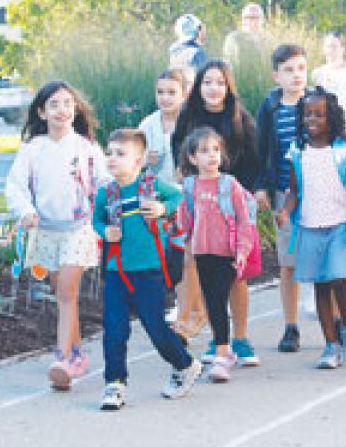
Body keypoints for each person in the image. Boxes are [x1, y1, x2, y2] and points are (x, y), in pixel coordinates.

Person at [5, 80, 109, 390]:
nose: (62, 110)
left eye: (67, 103)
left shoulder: (87, 148)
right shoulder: (33, 149)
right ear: (42, 111)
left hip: (78, 230)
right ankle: (77, 354)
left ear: (75, 109)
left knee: (66, 294)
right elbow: (15, 185)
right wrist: (24, 211)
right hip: (45, 232)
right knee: (65, 296)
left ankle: (62, 358)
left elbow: (104, 183)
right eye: (54, 104)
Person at [92, 129, 201, 410]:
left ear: (139, 161)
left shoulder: (151, 185)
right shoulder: (106, 193)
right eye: (109, 153)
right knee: (114, 329)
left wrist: (161, 208)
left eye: (120, 154)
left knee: (155, 327)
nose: (112, 158)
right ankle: (114, 383)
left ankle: (185, 364)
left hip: (150, 271)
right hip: (117, 272)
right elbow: (96, 220)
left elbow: (177, 197)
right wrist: (106, 231)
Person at [171, 60, 261, 366]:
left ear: (228, 87)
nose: (214, 88)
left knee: (237, 274)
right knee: (202, 271)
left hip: (232, 204)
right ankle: (214, 336)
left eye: (220, 82)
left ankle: (241, 338)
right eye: (208, 82)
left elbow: (253, 159)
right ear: (199, 86)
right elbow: (180, 151)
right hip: (201, 202)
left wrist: (247, 198)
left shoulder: (240, 119)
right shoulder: (188, 116)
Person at [275, 88, 346, 368]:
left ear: (331, 118)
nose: (312, 119)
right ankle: (330, 345)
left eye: (319, 115)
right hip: (309, 226)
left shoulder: (342, 151)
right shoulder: (297, 151)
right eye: (307, 114)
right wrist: (286, 210)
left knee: (339, 278)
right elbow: (294, 190)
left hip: (339, 224)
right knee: (320, 285)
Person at [177, 127, 257, 383]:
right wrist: (180, 241)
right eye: (204, 151)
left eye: (215, 150)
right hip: (202, 252)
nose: (211, 156)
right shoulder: (189, 186)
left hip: (227, 253)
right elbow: (184, 220)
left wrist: (242, 250)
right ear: (192, 158)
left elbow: (244, 219)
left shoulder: (228, 184)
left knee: (219, 298)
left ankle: (223, 351)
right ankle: (222, 344)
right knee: (212, 300)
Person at [140, 68, 204, 337]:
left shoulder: (191, 123)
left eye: (171, 92)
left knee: (189, 257)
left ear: (184, 93)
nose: (165, 98)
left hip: (189, 197)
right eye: (160, 92)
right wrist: (146, 161)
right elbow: (133, 162)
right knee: (172, 259)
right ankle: (192, 309)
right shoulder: (147, 125)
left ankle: (190, 311)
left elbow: (205, 154)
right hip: (160, 202)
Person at [255, 43, 309, 353]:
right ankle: (291, 325)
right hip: (283, 192)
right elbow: (262, 149)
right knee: (288, 262)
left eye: (300, 68)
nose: (296, 75)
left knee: (322, 260)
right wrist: (261, 185)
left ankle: (340, 323)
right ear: (276, 75)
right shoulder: (270, 107)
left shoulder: (318, 101)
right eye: (288, 70)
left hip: (318, 193)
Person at [310, 31, 346, 158]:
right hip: (323, 130)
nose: (331, 50)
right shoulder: (317, 73)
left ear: (342, 48)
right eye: (328, 46)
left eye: (335, 46)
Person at [223, 3, 273, 75]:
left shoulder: (268, 39)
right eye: (248, 17)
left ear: (263, 20)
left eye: (256, 17)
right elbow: (229, 65)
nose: (252, 21)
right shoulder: (234, 39)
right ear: (243, 21)